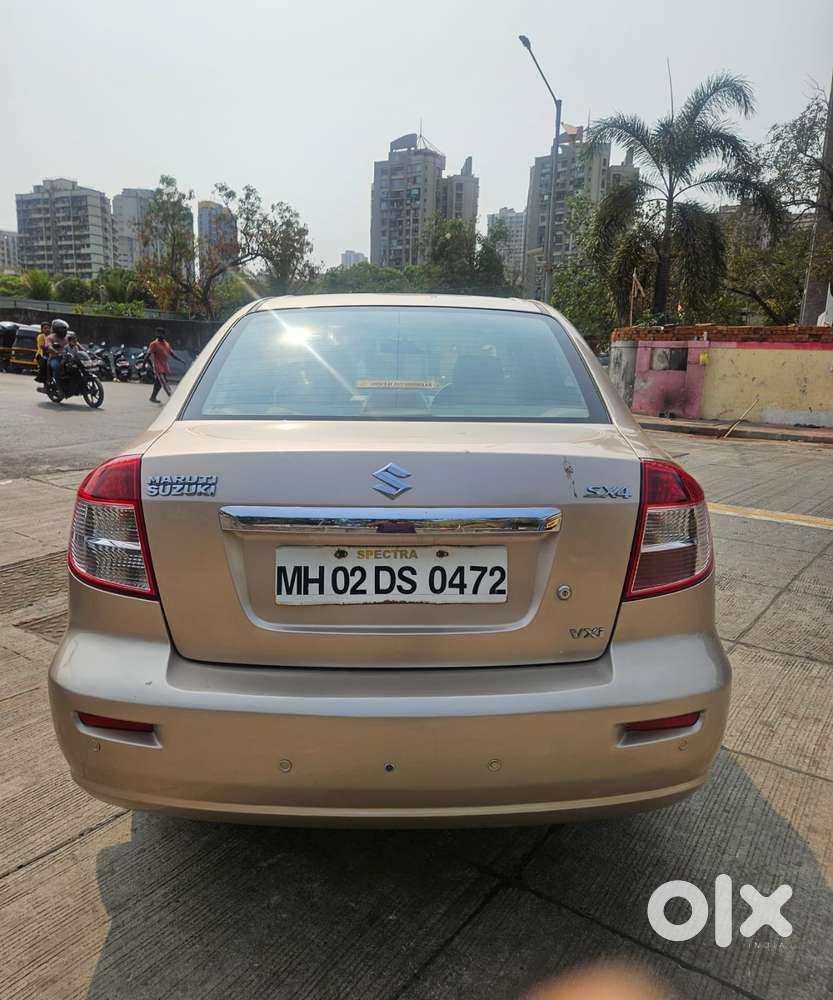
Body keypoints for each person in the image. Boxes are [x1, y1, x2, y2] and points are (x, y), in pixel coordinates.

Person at [147, 328, 182, 403]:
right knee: (163, 382)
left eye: (161, 333)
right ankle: (172, 396)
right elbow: (148, 354)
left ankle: (153, 397)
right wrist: (144, 365)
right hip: (158, 367)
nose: (159, 335)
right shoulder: (154, 344)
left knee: (158, 383)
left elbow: (172, 354)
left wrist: (180, 360)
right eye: (158, 333)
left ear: (164, 334)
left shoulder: (166, 344)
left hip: (164, 367)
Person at [37, 319, 69, 393]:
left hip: (66, 357)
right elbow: (45, 346)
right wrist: (54, 351)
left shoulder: (67, 337)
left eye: (48, 328)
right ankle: (55, 386)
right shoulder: (46, 337)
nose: (47, 329)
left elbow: (75, 343)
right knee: (52, 367)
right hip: (46, 355)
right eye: (45, 328)